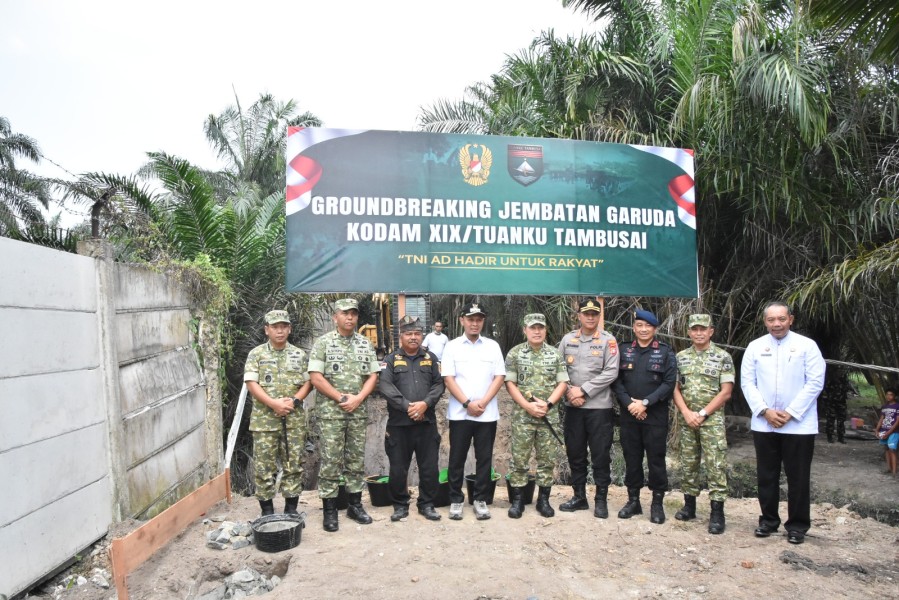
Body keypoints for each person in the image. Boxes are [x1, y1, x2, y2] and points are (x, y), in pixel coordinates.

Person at [741, 301, 825, 545]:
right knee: (766, 475)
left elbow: (815, 382)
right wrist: (764, 411)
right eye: (771, 320)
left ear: (791, 319)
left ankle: (797, 526)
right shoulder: (755, 347)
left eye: (781, 319)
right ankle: (768, 521)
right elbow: (748, 382)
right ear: (765, 322)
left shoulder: (806, 346)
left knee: (798, 476)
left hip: (799, 425)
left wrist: (790, 412)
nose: (776, 324)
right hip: (765, 423)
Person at [309, 298, 381, 532]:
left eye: (353, 313)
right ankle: (330, 509)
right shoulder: (323, 343)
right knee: (331, 460)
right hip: (332, 414)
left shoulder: (364, 343)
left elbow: (373, 376)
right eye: (345, 313)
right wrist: (341, 398)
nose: (350, 317)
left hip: (357, 412)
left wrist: (358, 398)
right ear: (335, 317)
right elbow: (316, 377)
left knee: (355, 460)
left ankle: (355, 505)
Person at [243, 310, 313, 517]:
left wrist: (295, 400)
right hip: (265, 422)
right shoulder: (256, 354)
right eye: (275, 327)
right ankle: (267, 512)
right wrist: (273, 403)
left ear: (289, 329)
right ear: (267, 330)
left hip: (293, 420)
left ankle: (291, 510)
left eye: (284, 326)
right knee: (264, 467)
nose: (280, 331)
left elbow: (309, 382)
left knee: (294, 465)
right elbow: (251, 383)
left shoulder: (299, 355)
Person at [441, 302, 506, 521]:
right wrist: (467, 403)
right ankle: (455, 500)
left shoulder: (492, 346)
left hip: (486, 414)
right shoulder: (451, 346)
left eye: (478, 319)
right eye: (470, 319)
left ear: (483, 321)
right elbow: (448, 378)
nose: (475, 323)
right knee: (457, 458)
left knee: (484, 458)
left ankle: (480, 499)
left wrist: (483, 402)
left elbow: (499, 376)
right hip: (460, 414)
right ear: (462, 321)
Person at [612, 309, 677, 524]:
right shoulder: (624, 350)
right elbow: (616, 381)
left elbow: (669, 383)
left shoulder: (665, 352)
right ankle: (633, 501)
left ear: (654, 329)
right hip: (629, 415)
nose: (643, 329)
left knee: (656, 460)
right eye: (639, 325)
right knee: (632, 459)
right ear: (634, 328)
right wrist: (630, 404)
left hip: (655, 416)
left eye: (647, 326)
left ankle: (657, 504)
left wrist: (645, 403)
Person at [672, 314, 735, 534]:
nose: (699, 333)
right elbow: (675, 388)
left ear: (711, 331)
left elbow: (726, 392)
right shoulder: (680, 357)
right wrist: (686, 413)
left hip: (712, 420)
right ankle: (689, 506)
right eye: (694, 329)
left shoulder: (722, 357)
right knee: (688, 463)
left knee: (715, 464)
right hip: (687, 418)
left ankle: (717, 512)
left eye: (703, 329)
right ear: (689, 332)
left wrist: (702, 413)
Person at [378, 315, 445, 521]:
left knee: (429, 468)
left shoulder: (431, 358)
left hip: (426, 423)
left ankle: (427, 504)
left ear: (422, 336)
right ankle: (400, 505)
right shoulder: (389, 361)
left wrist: (425, 403)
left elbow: (439, 385)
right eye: (409, 334)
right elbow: (385, 387)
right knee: (398, 468)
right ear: (401, 337)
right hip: (399, 425)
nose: (413, 337)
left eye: (417, 333)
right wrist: (409, 407)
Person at [557, 298, 620, 518]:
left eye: (594, 314)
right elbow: (559, 370)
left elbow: (611, 372)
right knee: (575, 453)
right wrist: (569, 393)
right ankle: (579, 497)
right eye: (586, 313)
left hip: (599, 409)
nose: (590, 317)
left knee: (600, 455)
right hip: (573, 408)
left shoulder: (608, 340)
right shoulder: (567, 340)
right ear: (579, 315)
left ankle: (600, 500)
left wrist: (582, 391)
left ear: (599, 316)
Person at [504, 313, 570, 518]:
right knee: (519, 459)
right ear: (525, 329)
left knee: (546, 460)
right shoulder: (515, 354)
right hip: (523, 417)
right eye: (532, 327)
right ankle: (517, 501)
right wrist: (527, 406)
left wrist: (548, 404)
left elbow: (563, 382)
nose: (537, 331)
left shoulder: (555, 354)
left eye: (540, 327)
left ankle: (544, 500)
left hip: (548, 417)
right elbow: (510, 383)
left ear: (545, 330)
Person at [821, 366, 850, 443]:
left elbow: (847, 388)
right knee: (831, 419)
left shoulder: (844, 379)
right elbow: (826, 390)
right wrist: (825, 401)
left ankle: (841, 437)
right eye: (839, 370)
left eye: (842, 370)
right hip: (832, 402)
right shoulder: (831, 378)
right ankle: (830, 436)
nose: (841, 372)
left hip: (841, 402)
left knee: (841, 420)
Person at [875, 389, 899, 475]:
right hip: (883, 430)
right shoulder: (884, 406)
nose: (888, 396)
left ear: (894, 396)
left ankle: (894, 472)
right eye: (887, 394)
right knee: (886, 449)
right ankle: (889, 468)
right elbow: (881, 419)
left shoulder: (897, 406)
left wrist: (889, 432)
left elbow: (897, 421)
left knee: (892, 450)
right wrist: (877, 429)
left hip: (894, 431)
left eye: (891, 395)